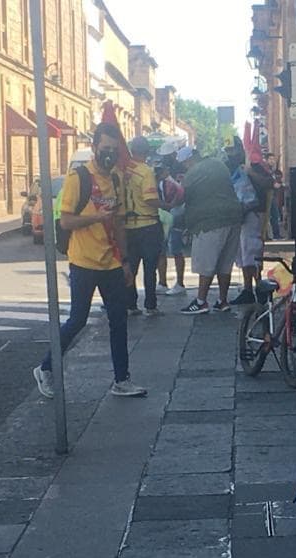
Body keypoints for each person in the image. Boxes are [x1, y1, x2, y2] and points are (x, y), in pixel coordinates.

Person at [32, 122, 148, 399]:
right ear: (95, 148)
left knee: (119, 321)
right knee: (78, 320)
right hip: (83, 261)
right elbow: (66, 220)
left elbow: (118, 222)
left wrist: (126, 261)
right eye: (105, 149)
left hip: (110, 263)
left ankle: (122, 379)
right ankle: (46, 367)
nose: (109, 154)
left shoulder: (117, 179)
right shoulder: (79, 177)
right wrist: (96, 217)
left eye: (114, 149)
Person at [177, 145, 244, 315]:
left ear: (188, 160)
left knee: (206, 263)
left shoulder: (192, 173)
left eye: (184, 164)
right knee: (225, 263)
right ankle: (222, 300)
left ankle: (201, 301)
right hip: (234, 216)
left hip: (209, 221)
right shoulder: (218, 163)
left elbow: (180, 196)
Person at [228, 129, 274, 305]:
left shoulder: (254, 166)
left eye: (233, 150)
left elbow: (270, 183)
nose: (230, 154)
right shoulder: (230, 169)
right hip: (239, 215)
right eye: (228, 151)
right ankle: (248, 288)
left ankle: (257, 286)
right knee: (242, 254)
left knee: (251, 252)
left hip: (254, 213)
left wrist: (249, 172)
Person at [124, 137, 166, 316]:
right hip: (148, 224)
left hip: (128, 226)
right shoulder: (145, 171)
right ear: (147, 151)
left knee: (131, 267)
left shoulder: (124, 170)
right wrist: (167, 204)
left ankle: (131, 304)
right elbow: (149, 198)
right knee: (150, 268)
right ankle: (150, 305)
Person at [156, 161, 186, 295]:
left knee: (171, 249)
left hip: (169, 217)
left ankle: (170, 282)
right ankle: (168, 282)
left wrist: (168, 206)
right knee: (169, 250)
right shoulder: (171, 181)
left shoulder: (168, 183)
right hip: (172, 217)